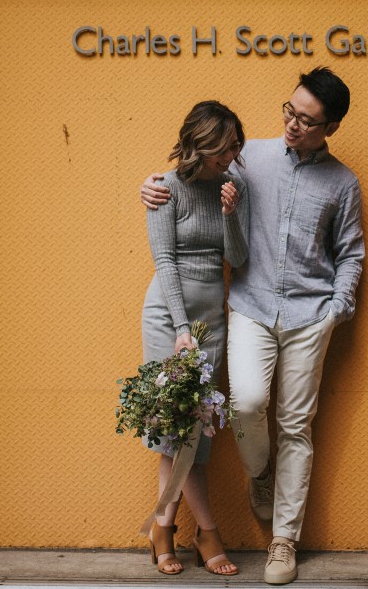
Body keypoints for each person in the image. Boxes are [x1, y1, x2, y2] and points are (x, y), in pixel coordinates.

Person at [142, 67, 364, 585]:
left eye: (307, 121)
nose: (292, 125)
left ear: (329, 127)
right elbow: (192, 174)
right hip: (249, 308)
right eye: (290, 111)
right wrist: (149, 186)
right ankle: (259, 474)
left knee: (296, 425)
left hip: (311, 313)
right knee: (243, 404)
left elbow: (351, 254)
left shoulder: (344, 182)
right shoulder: (247, 158)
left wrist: (337, 308)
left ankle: (283, 541)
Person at [140, 100, 249, 577]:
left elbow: (239, 260)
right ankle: (208, 535)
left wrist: (230, 214)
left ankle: (162, 529)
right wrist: (182, 330)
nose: (231, 157)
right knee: (179, 429)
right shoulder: (166, 189)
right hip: (171, 317)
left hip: (212, 319)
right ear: (200, 145)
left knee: (192, 432)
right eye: (223, 149)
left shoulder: (232, 185)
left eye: (235, 148)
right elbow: (164, 262)